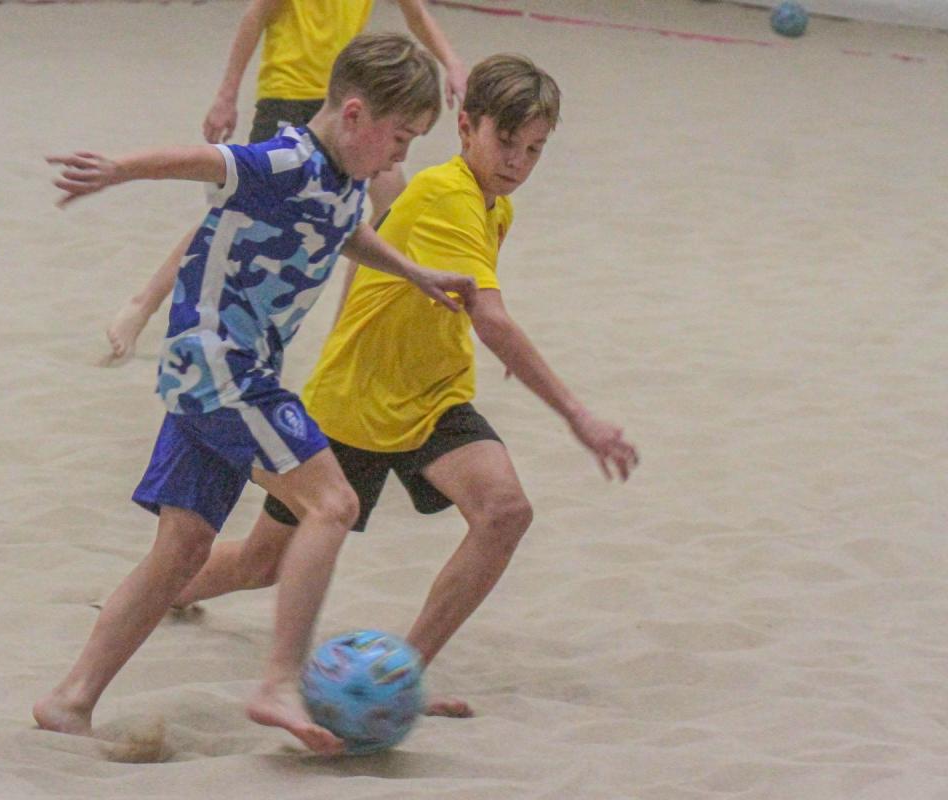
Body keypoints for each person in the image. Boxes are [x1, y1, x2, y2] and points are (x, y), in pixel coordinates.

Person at [33, 34, 477, 756]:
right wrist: (117, 170)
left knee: (182, 550)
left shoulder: (343, 177)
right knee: (333, 504)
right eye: (400, 137)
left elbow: (342, 231)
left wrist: (415, 273)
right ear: (355, 115)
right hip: (221, 365)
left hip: (217, 372)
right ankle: (277, 682)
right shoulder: (287, 159)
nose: (402, 155)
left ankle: (69, 699)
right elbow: (203, 160)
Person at [167, 54, 640, 717]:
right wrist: (577, 415)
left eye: (534, 149)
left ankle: (400, 676)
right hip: (355, 403)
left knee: (504, 512)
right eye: (506, 141)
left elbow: (467, 303)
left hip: (431, 397)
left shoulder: (493, 204)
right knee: (261, 563)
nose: (517, 162)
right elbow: (491, 317)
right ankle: (157, 595)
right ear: (466, 126)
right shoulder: (447, 195)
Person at [105, 0, 469, 361]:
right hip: (289, 92)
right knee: (236, 207)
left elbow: (416, 15)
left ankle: (340, 335)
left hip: (359, 102)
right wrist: (226, 95)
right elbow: (256, 14)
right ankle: (143, 304)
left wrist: (452, 62)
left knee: (388, 200)